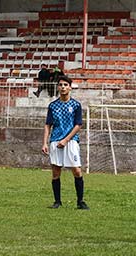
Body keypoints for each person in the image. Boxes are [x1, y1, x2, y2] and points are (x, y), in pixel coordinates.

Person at [41, 75, 89, 210]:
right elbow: (47, 125)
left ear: (70, 87)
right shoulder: (53, 106)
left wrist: (66, 140)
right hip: (55, 141)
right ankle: (57, 201)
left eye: (65, 85)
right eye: (61, 85)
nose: (63, 87)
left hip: (71, 141)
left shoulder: (75, 105)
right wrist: (45, 142)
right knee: (56, 172)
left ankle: (80, 201)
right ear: (58, 87)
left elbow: (78, 125)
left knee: (77, 170)